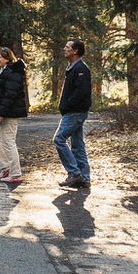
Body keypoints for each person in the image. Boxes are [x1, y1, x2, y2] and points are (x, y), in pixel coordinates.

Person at [0, 46, 29, 183]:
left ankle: (16, 174)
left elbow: (10, 96)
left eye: (0, 57)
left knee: (8, 142)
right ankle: (6, 167)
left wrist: (1, 113)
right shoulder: (2, 71)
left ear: (8, 58)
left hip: (9, 114)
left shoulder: (13, 72)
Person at [55, 38, 93, 190]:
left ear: (75, 50)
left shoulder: (81, 68)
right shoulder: (72, 67)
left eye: (67, 47)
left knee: (59, 139)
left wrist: (68, 105)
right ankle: (84, 179)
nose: (64, 49)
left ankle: (74, 173)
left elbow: (82, 92)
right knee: (77, 145)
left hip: (75, 112)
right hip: (72, 112)